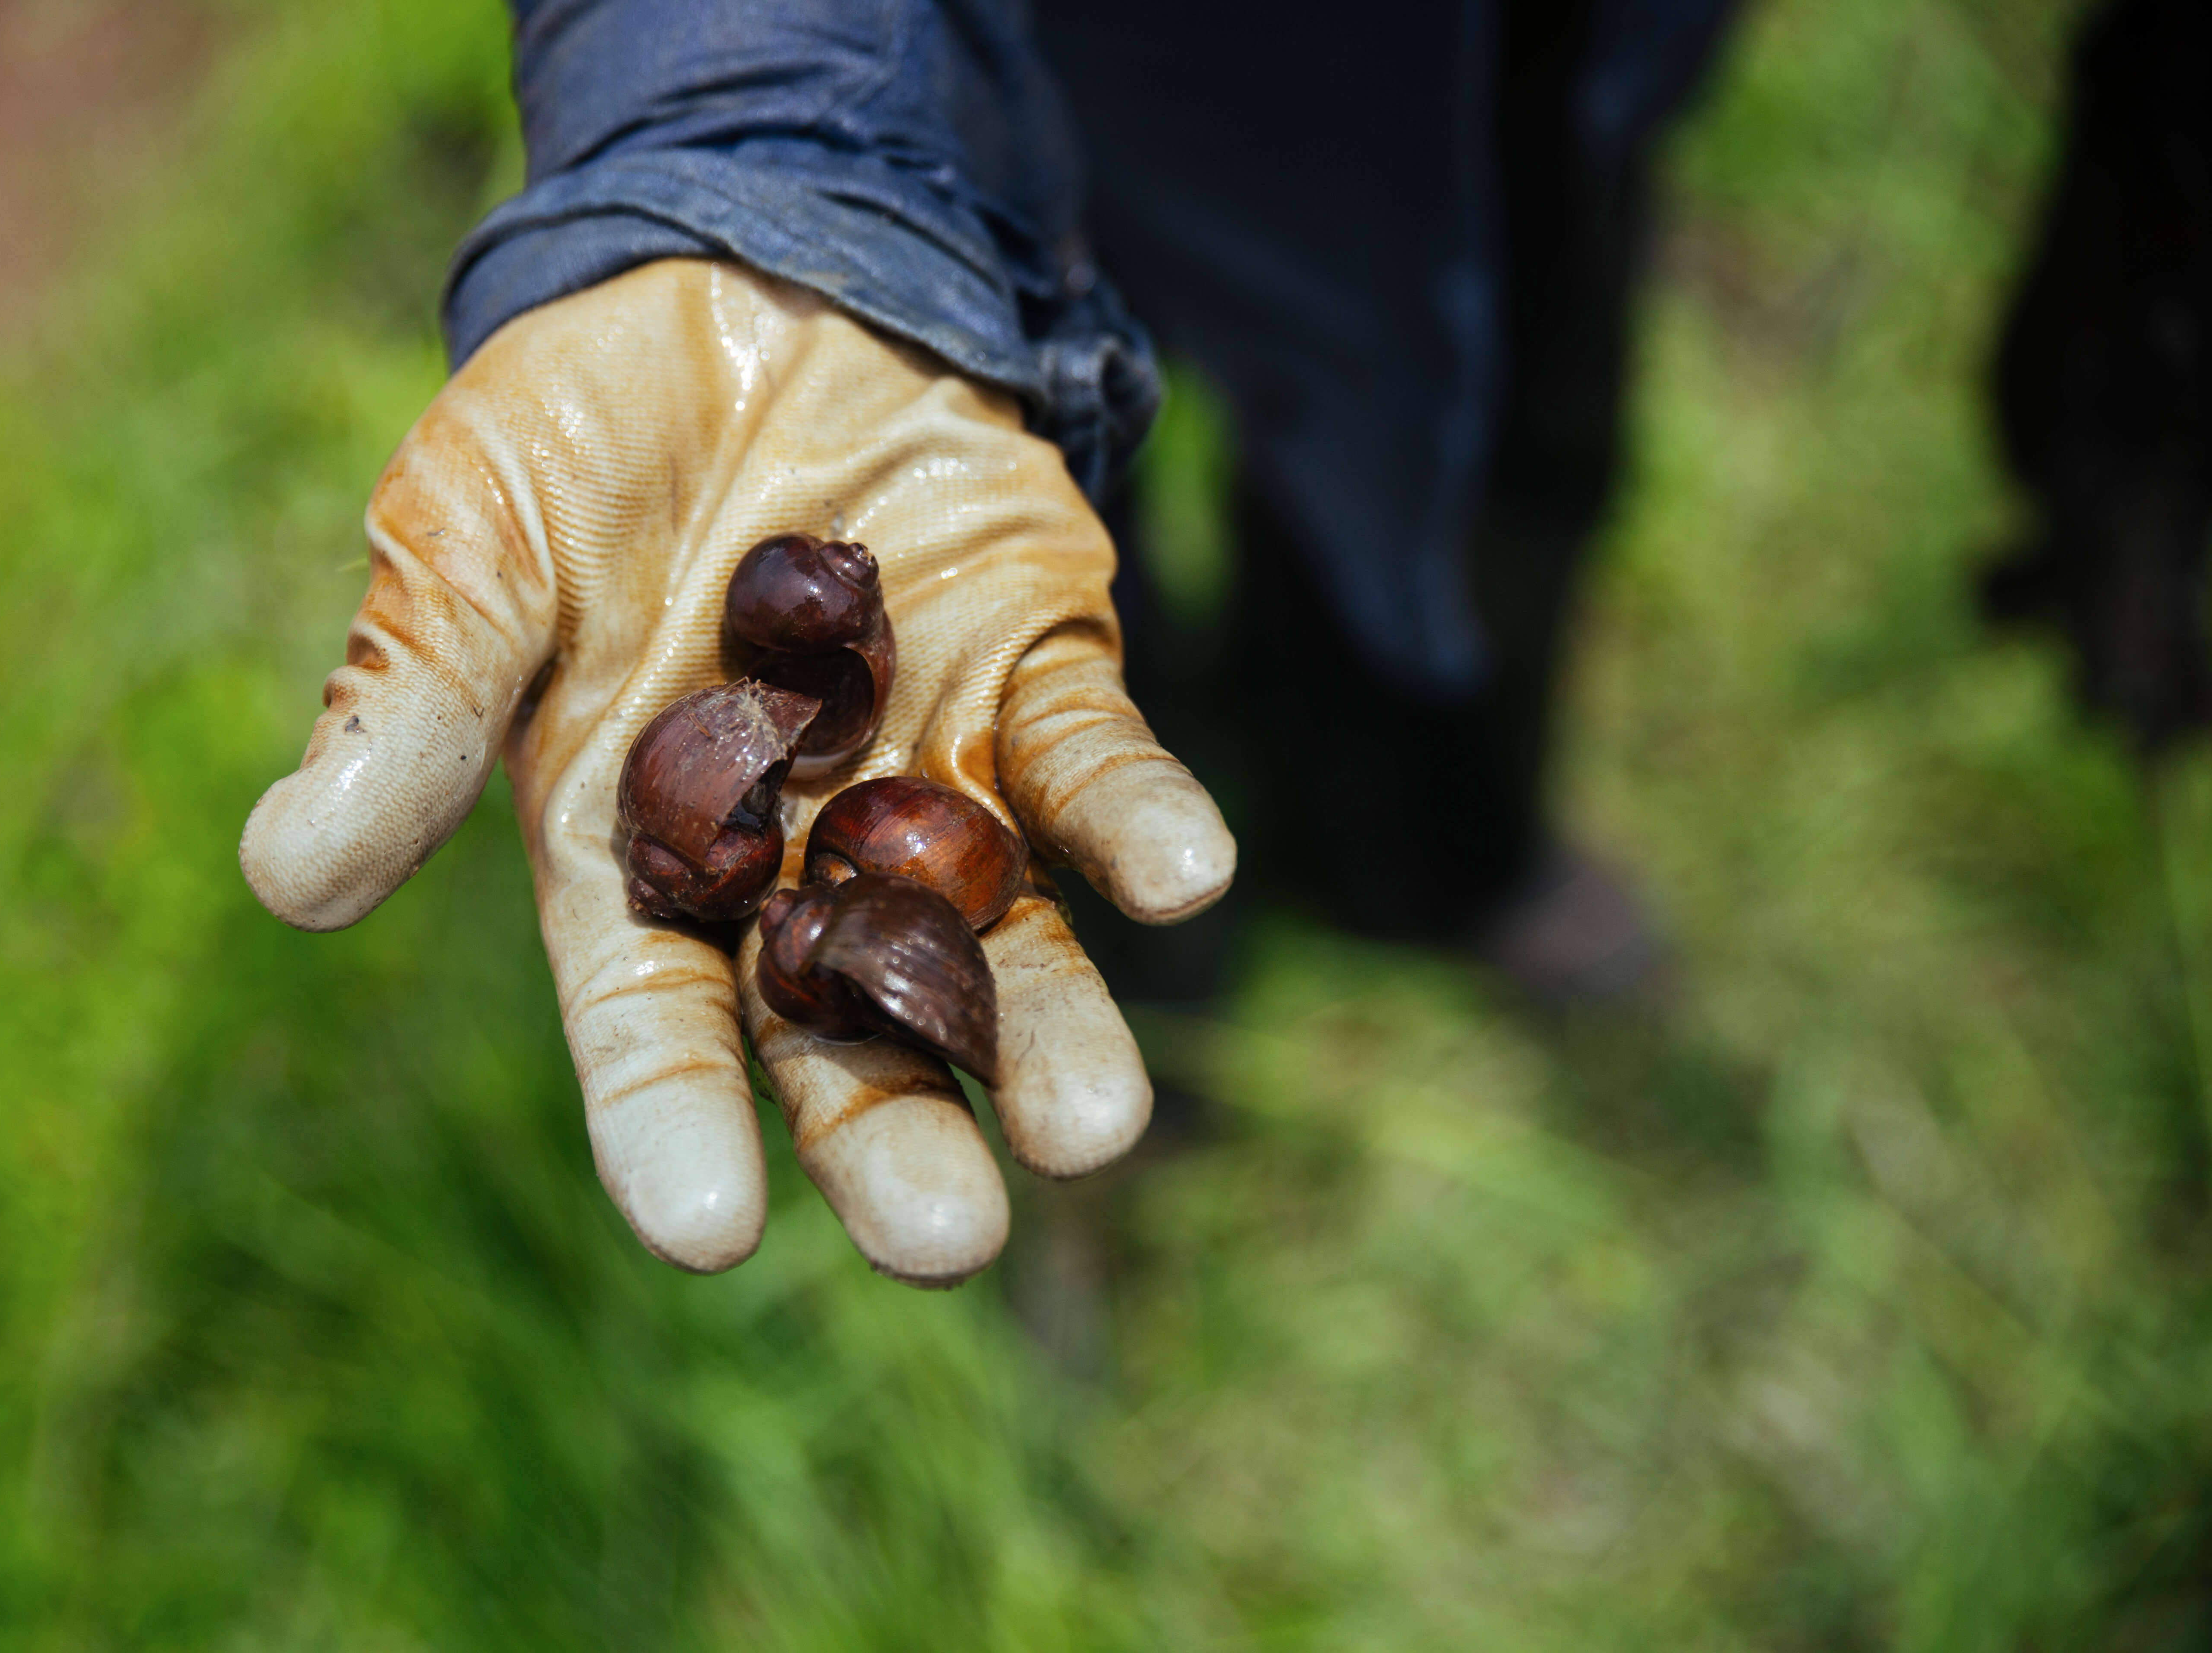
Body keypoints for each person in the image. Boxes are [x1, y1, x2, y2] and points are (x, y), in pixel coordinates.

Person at [239, 0, 1738, 1286]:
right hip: (1050, 80)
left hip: (1544, 51)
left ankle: (1442, 847)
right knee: (1064, 588)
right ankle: (1167, 1044)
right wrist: (744, 145)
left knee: (1517, 421)